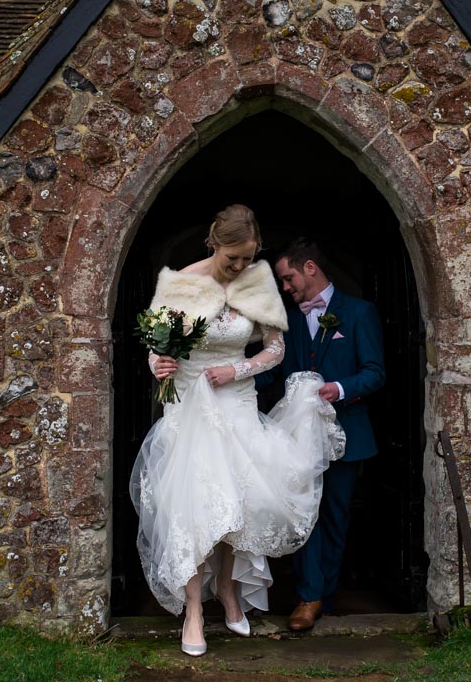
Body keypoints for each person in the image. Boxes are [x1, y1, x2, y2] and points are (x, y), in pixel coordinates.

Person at [130, 205, 345, 657]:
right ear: (214, 243)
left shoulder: (257, 281)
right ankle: (193, 610)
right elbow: (155, 346)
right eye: (233, 258)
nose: (240, 267)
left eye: (248, 257)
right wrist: (159, 364)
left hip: (237, 402)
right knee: (194, 507)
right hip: (190, 407)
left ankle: (227, 588)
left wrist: (237, 368)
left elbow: (276, 349)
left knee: (239, 504)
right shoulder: (181, 283)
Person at [263, 238, 385, 631]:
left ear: (310, 268)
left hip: (345, 433)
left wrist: (340, 389)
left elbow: (375, 372)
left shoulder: (359, 312)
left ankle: (324, 596)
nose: (286, 287)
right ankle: (309, 595)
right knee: (304, 514)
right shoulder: (289, 320)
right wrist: (228, 374)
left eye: (288, 278)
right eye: (283, 282)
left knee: (334, 516)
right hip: (296, 435)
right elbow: (274, 373)